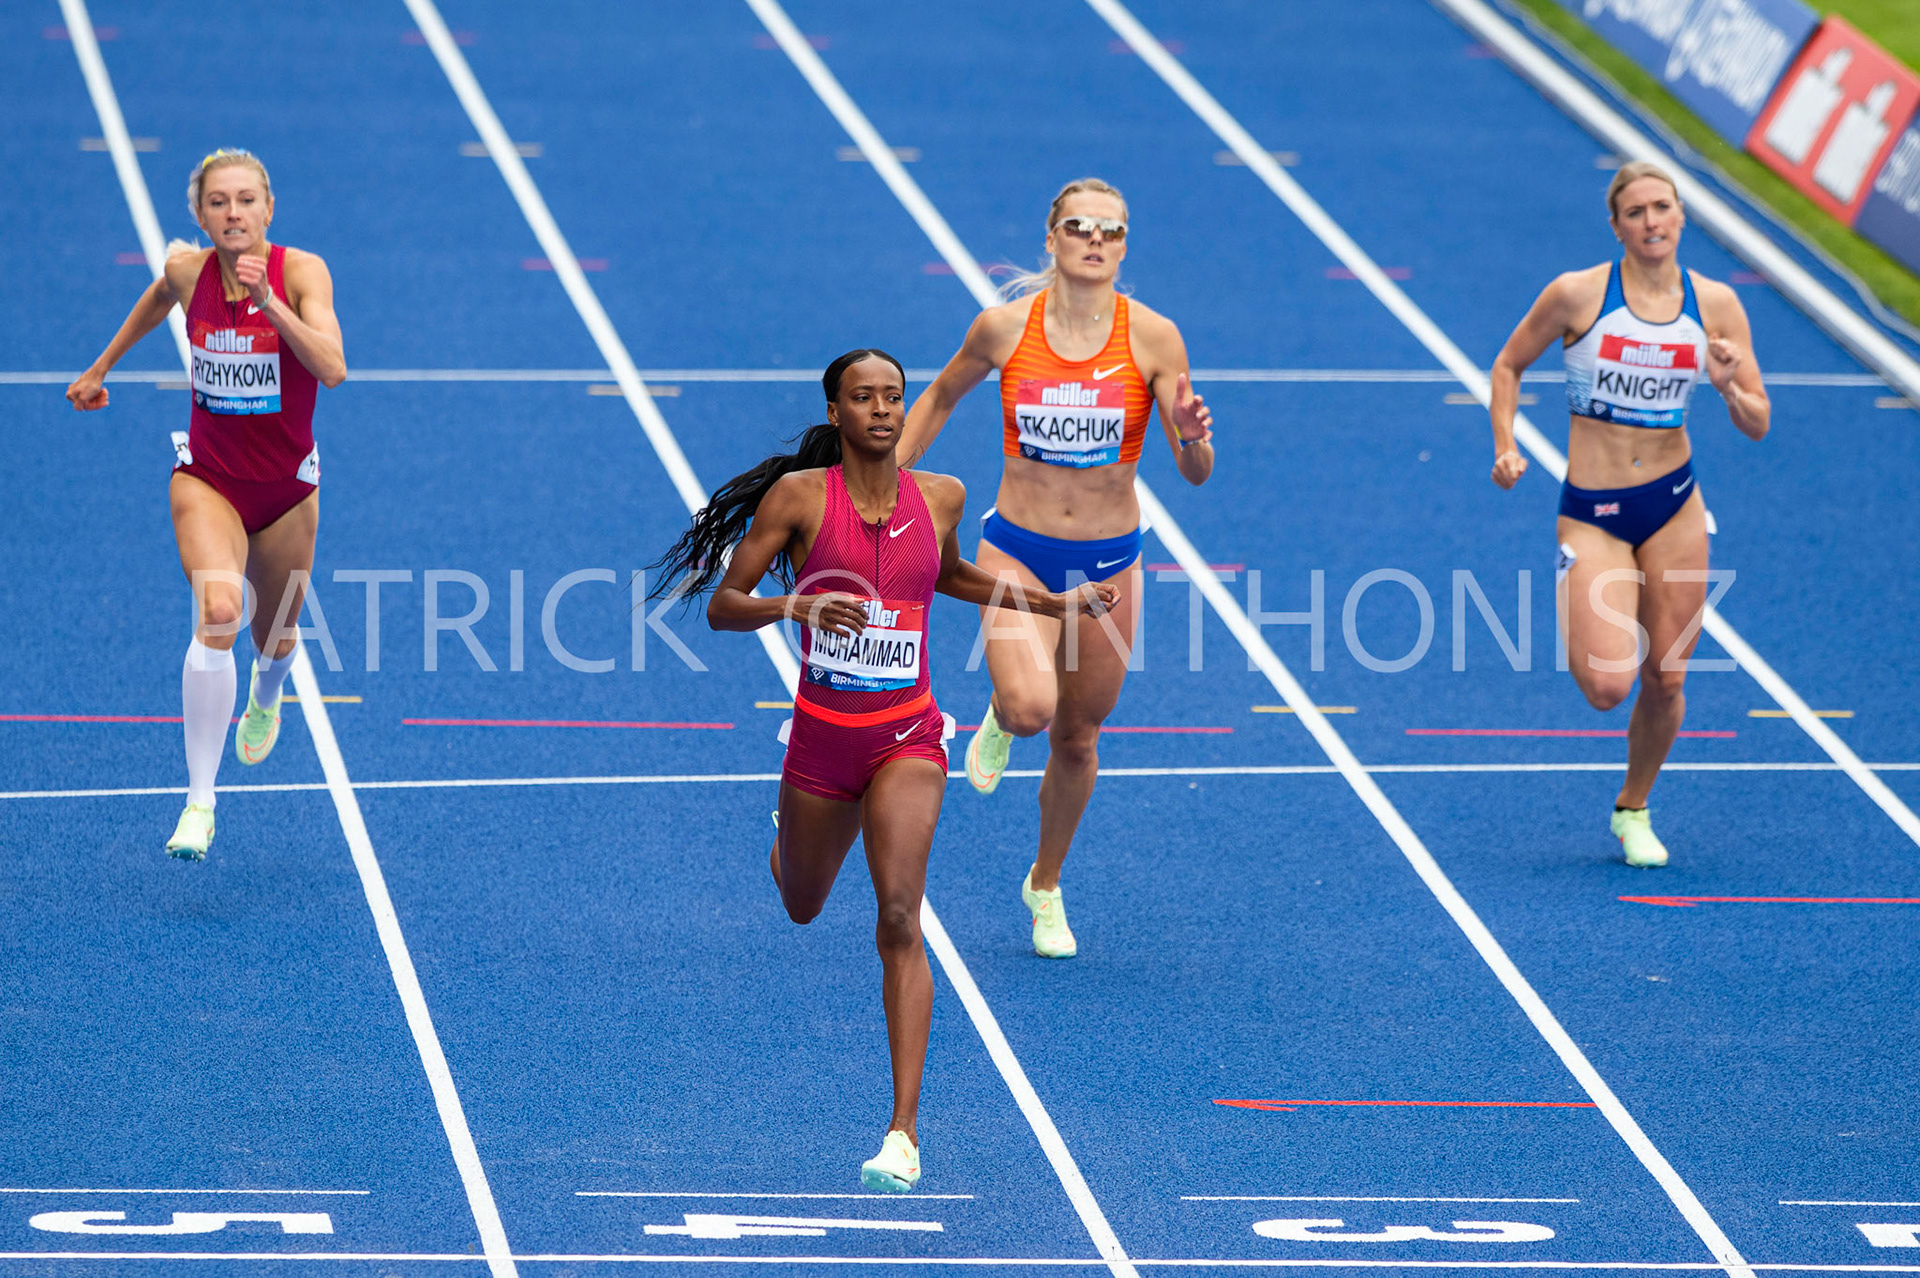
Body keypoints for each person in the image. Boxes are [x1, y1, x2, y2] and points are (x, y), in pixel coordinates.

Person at [652, 349, 1113, 1191]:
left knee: (900, 915)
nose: (883, 411)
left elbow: (954, 575)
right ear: (835, 412)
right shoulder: (799, 500)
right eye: (863, 398)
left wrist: (1049, 604)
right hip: (822, 745)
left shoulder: (939, 497)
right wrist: (794, 604)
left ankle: (902, 1133)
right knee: (801, 903)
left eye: (894, 397)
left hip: (908, 737)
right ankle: (786, 845)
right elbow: (722, 606)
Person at [900, 177, 1214, 958]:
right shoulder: (1005, 329)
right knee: (1034, 707)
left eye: (1111, 230)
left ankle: (1044, 884)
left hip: (1110, 565)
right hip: (1018, 551)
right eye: (1080, 226)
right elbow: (938, 396)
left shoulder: (1155, 339)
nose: (1094, 240)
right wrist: (882, 489)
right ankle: (1004, 716)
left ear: (1125, 245)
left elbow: (1195, 470)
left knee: (1077, 738)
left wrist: (1194, 436)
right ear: (1053, 237)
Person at [66, 149, 345, 862]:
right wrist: (102, 366)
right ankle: (200, 801)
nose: (233, 213)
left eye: (246, 200)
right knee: (219, 612)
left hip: (286, 491)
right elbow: (162, 293)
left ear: (268, 209)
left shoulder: (302, 272)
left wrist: (271, 304)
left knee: (275, 639)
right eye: (218, 202)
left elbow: (333, 369)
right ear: (200, 216)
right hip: (209, 478)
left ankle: (267, 691)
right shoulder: (191, 271)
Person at [1489, 161, 1768, 867]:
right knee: (1607, 687)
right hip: (1593, 513)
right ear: (1616, 225)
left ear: (1681, 217)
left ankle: (1633, 807)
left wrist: (1731, 388)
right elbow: (1507, 366)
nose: (1651, 221)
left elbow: (1758, 421)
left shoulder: (1718, 308)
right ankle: (1581, 599)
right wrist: (1505, 444)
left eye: (1662, 208)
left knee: (1669, 676)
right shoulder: (1578, 295)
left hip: (1674, 505)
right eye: (1636, 211)